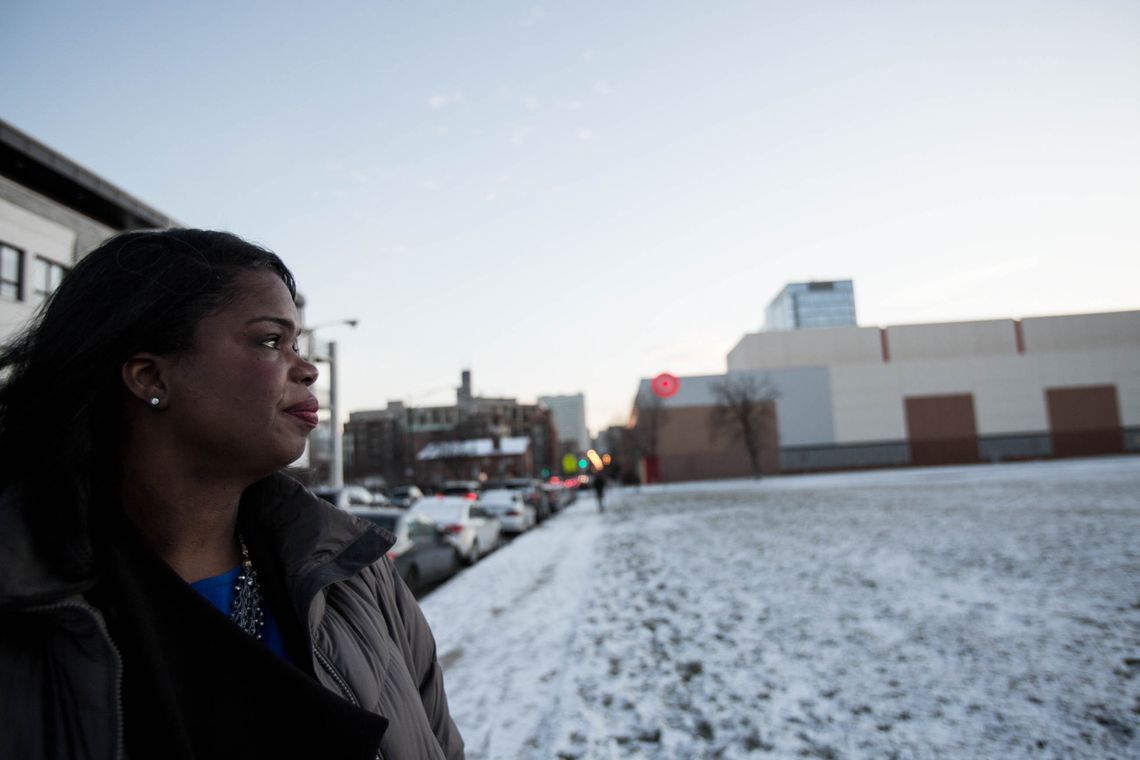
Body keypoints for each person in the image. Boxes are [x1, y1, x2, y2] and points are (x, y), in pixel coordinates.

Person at [0, 229, 464, 760]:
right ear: (151, 376)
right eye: (271, 341)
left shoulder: (355, 574)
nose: (308, 368)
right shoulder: (27, 611)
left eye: (299, 343)